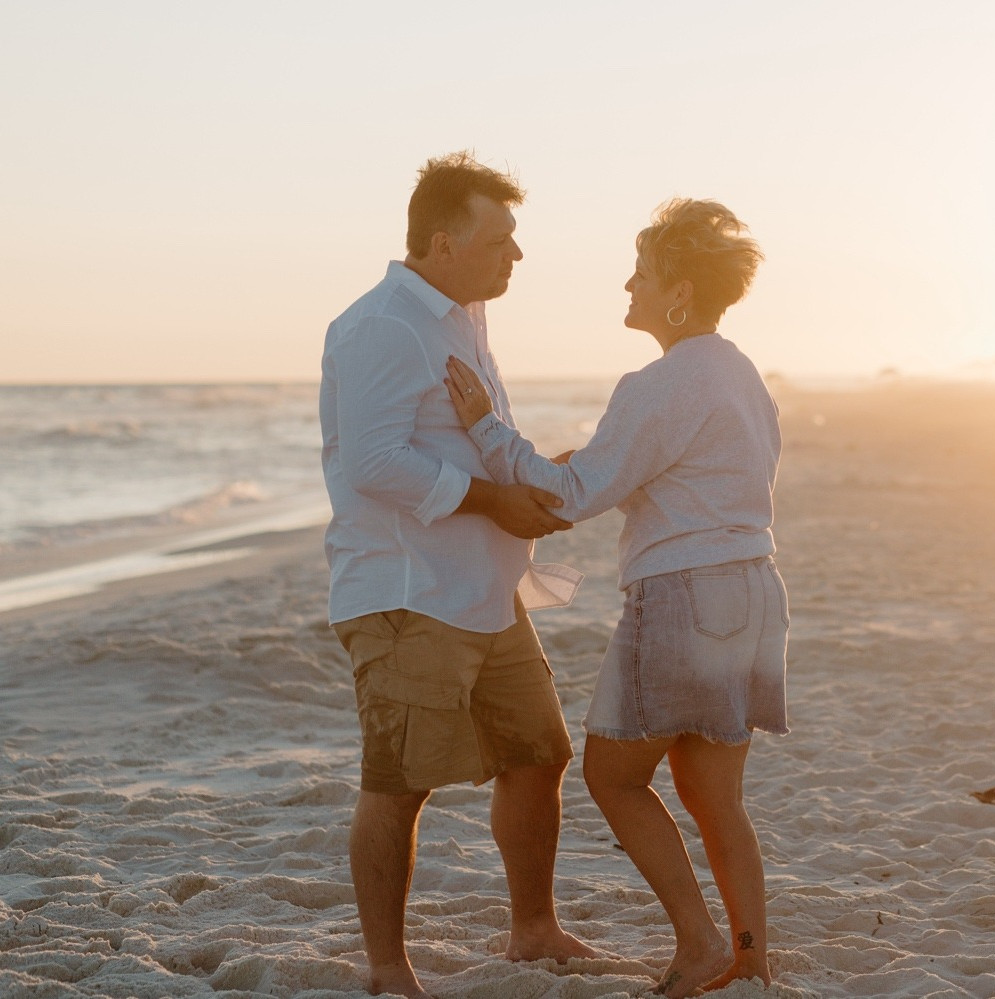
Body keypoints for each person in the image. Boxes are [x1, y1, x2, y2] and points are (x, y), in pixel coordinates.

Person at [443, 198, 788, 997]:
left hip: (683, 597)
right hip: (755, 592)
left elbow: (574, 495)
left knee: (612, 776)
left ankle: (699, 943)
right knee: (716, 797)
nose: (629, 285)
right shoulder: (742, 374)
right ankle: (750, 960)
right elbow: (685, 475)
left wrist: (487, 429)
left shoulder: (656, 383)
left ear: (680, 293)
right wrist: (591, 465)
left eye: (643, 273)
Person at [319, 152, 595, 999]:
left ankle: (534, 929)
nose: (517, 254)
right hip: (408, 593)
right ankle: (387, 969)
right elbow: (373, 463)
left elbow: (466, 442)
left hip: (487, 591)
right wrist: (493, 500)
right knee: (399, 783)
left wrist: (538, 479)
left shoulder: (464, 316)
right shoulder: (382, 325)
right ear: (444, 243)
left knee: (539, 755)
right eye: (500, 239)